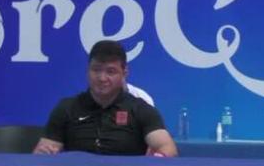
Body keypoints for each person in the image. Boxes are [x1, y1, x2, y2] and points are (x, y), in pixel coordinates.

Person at [33, 40, 178, 157]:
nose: (102, 78)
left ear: (124, 73)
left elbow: (167, 147)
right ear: (88, 70)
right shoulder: (66, 107)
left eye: (111, 71)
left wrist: (157, 158)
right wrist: (43, 154)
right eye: (96, 70)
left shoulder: (141, 109)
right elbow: (45, 149)